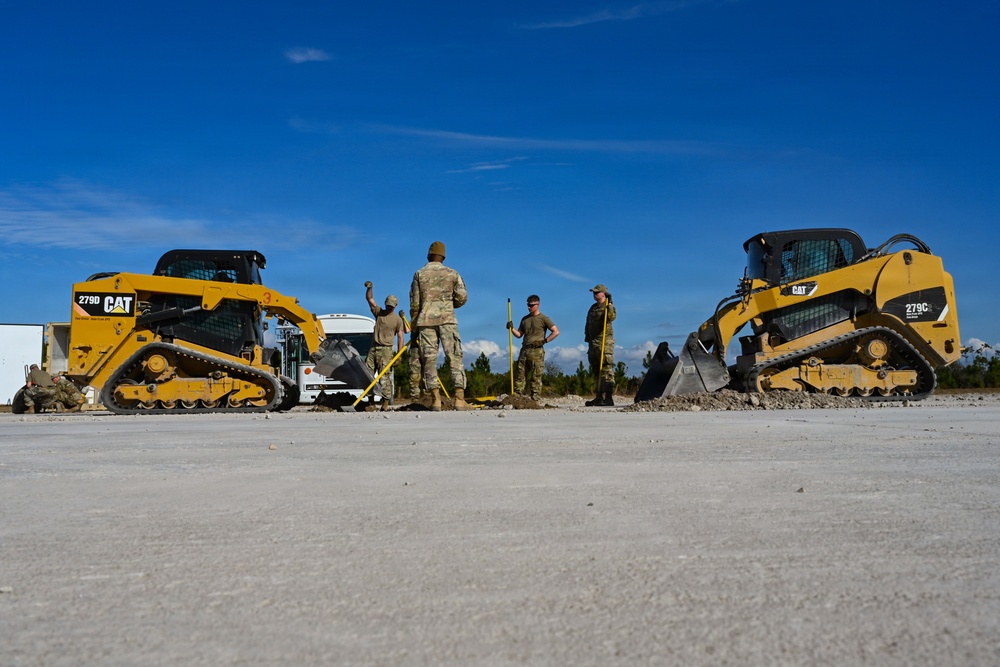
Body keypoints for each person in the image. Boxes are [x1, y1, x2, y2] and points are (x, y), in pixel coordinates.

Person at [409, 240, 470, 411]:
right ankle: (459, 399)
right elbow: (462, 297)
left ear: (428, 255)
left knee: (429, 360)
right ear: (443, 256)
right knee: (454, 357)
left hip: (425, 321)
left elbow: (415, 302)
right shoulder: (452, 273)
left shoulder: (419, 274)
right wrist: (449, 305)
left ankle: (436, 400)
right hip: (447, 320)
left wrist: (414, 324)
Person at [507, 295, 559, 401]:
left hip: (537, 350)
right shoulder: (525, 319)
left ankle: (535, 397)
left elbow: (556, 331)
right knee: (520, 374)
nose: (529, 307)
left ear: (537, 305)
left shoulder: (544, 319)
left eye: (531, 305)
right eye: (528, 305)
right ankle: (517, 395)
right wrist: (511, 329)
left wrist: (544, 341)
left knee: (536, 375)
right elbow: (519, 335)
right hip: (525, 350)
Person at [364, 281, 406, 411]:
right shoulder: (379, 313)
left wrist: (399, 355)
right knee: (368, 375)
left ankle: (385, 403)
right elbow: (369, 298)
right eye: (388, 306)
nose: (389, 308)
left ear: (395, 306)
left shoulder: (398, 320)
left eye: (391, 307)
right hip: (373, 349)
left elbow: (400, 337)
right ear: (385, 304)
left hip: (386, 351)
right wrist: (370, 288)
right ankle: (370, 401)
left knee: (384, 377)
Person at [584, 284, 616, 406]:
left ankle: (608, 397)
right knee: (596, 370)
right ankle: (599, 397)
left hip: (604, 342)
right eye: (594, 292)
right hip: (594, 343)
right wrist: (587, 337)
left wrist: (610, 305)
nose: (595, 294)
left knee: (606, 369)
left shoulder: (608, 306)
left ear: (603, 294)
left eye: (597, 292)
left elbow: (612, 317)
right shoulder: (593, 308)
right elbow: (588, 323)